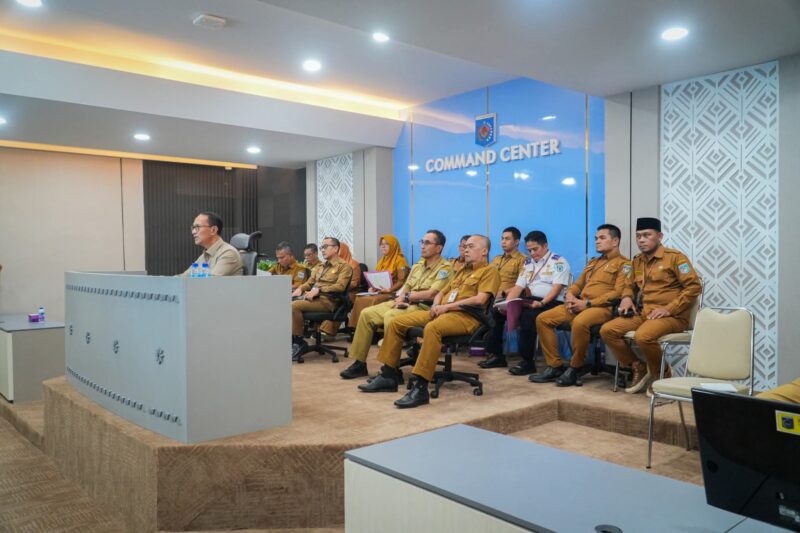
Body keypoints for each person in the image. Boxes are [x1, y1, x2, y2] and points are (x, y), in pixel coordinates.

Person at [358, 235, 500, 409]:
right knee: (397, 322)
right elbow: (443, 290)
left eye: (471, 246)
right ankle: (389, 375)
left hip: (466, 317)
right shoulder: (463, 270)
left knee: (432, 329)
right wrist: (436, 304)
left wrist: (448, 307)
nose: (466, 249)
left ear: (484, 251)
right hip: (442, 312)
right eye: (465, 246)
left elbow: (480, 300)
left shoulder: (489, 271)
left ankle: (421, 387)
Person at [600, 217, 702, 394]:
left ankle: (662, 376)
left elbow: (694, 287)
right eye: (638, 236)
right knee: (607, 330)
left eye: (647, 235)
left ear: (660, 236)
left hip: (672, 316)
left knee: (643, 336)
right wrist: (626, 297)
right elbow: (628, 284)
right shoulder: (637, 261)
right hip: (645, 313)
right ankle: (638, 366)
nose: (641, 240)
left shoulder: (675, 258)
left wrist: (669, 308)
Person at [339, 230, 453, 379]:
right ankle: (359, 363)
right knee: (366, 313)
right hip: (405, 302)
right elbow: (407, 285)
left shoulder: (445, 268)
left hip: (424, 307)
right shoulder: (418, 265)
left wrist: (406, 296)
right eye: (422, 242)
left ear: (438, 248)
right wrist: (401, 297)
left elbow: (432, 293)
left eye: (427, 243)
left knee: (391, 315)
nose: (422, 246)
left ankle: (390, 370)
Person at [534, 224, 631, 386]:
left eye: (602, 238)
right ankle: (555, 366)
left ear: (615, 241)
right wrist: (571, 295)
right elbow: (577, 285)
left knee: (579, 322)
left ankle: (574, 367)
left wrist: (587, 303)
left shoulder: (625, 264)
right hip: (579, 304)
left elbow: (618, 293)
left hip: (602, 308)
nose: (597, 242)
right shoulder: (593, 263)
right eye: (596, 239)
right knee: (543, 318)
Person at [481, 230, 570, 376]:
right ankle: (497, 355)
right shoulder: (528, 263)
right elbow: (518, 287)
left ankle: (527, 362)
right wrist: (508, 305)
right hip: (530, 299)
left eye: (535, 249)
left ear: (545, 245)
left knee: (527, 317)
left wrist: (542, 304)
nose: (532, 253)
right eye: (529, 250)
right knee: (496, 312)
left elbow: (556, 288)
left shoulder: (558, 261)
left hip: (551, 302)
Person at [290, 237, 353, 359]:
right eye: (321, 247)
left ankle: (298, 342)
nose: (322, 250)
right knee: (288, 301)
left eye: (325, 247)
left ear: (335, 249)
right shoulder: (320, 267)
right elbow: (309, 282)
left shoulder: (344, 267)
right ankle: (291, 340)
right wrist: (300, 289)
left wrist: (319, 290)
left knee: (294, 306)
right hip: (314, 300)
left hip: (329, 302)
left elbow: (340, 287)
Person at [347, 235, 410, 328]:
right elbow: (377, 277)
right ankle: (356, 329)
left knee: (373, 300)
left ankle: (372, 330)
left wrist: (390, 289)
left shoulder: (400, 260)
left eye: (386, 244)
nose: (383, 246)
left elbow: (402, 281)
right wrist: (372, 288)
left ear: (393, 245)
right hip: (381, 291)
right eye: (381, 244)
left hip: (393, 292)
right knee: (360, 299)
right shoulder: (382, 260)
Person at [320, 242, 363, 336]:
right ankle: (316, 328)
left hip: (350, 292)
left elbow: (354, 283)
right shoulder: (332, 264)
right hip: (334, 290)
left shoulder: (354, 264)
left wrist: (339, 284)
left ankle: (327, 331)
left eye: (338, 250)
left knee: (338, 301)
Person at [182, 212, 243, 276]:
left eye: (197, 227)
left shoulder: (228, 253)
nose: (193, 232)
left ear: (213, 230)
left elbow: (210, 282)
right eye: (193, 228)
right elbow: (184, 276)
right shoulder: (205, 255)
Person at [490, 226, 527, 299]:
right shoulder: (496, 259)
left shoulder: (522, 260)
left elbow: (523, 285)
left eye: (507, 239)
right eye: (502, 238)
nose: (503, 242)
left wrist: (503, 294)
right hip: (489, 296)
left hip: (505, 298)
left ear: (516, 242)